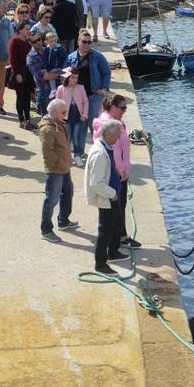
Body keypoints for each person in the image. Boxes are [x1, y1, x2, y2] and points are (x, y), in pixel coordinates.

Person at [92, 94, 141, 249]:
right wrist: (122, 171)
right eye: (122, 108)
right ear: (112, 107)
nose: (125, 111)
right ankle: (116, 242)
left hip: (120, 171)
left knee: (121, 205)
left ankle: (121, 236)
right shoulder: (110, 125)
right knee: (117, 207)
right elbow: (114, 151)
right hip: (116, 173)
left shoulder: (116, 121)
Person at [85, 120, 130, 274]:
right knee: (105, 230)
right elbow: (96, 183)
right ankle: (100, 263)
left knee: (116, 225)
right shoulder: (99, 153)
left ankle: (113, 251)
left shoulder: (106, 147)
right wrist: (113, 195)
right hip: (108, 197)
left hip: (113, 194)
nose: (118, 139)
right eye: (117, 136)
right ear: (109, 135)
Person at [38, 99, 79, 243]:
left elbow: (62, 146)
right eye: (63, 112)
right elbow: (48, 153)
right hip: (56, 170)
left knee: (68, 192)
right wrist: (62, 162)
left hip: (64, 167)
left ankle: (63, 221)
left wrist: (68, 160)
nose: (65, 114)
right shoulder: (47, 129)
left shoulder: (58, 123)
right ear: (54, 112)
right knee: (51, 199)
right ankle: (46, 230)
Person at [66, 29, 111, 136]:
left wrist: (104, 88)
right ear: (78, 42)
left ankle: (97, 146)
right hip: (77, 96)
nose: (87, 44)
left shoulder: (97, 56)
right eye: (84, 42)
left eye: (89, 42)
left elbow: (106, 72)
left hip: (93, 95)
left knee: (94, 123)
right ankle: (79, 150)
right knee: (79, 123)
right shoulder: (71, 57)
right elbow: (64, 73)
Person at [55, 67, 88, 166]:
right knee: (67, 137)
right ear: (67, 77)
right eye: (73, 77)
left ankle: (77, 155)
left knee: (76, 136)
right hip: (66, 117)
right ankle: (66, 156)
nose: (75, 80)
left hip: (78, 117)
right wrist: (59, 116)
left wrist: (84, 114)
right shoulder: (61, 89)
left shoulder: (80, 87)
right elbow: (57, 103)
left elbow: (85, 101)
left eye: (76, 78)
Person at [8, 20, 34, 128]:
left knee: (27, 97)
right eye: (27, 29)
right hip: (19, 71)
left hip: (28, 72)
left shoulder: (28, 42)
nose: (29, 31)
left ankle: (28, 119)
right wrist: (17, 73)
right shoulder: (14, 41)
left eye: (29, 29)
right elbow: (12, 59)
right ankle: (21, 120)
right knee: (20, 96)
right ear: (20, 30)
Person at [27, 31, 58, 119]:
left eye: (39, 39)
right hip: (44, 91)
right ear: (30, 43)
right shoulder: (31, 58)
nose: (38, 42)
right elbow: (42, 76)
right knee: (47, 120)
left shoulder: (48, 49)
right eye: (34, 41)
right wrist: (58, 75)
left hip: (56, 88)